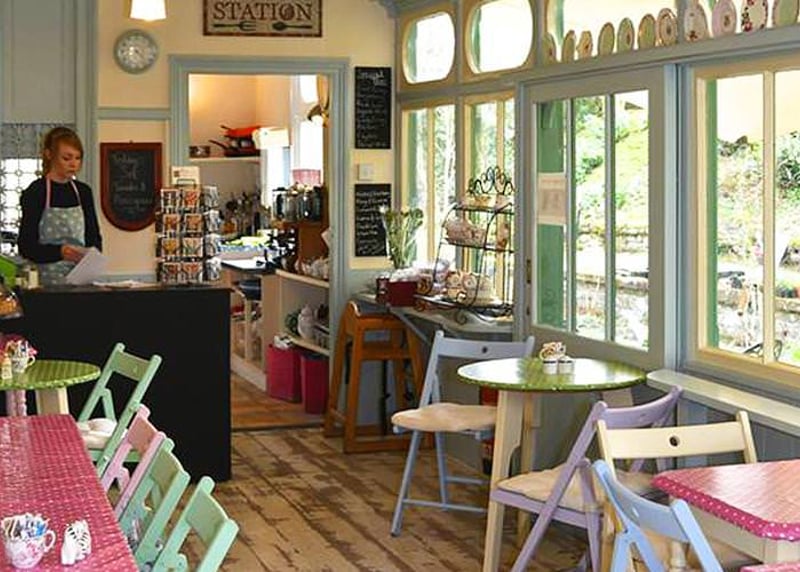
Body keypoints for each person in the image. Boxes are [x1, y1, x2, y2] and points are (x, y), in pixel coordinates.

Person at [18, 127, 103, 286]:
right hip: (45, 281)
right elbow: (26, 246)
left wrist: (90, 256)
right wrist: (60, 252)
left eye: (77, 158)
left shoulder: (83, 192)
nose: (73, 164)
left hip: (80, 279)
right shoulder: (37, 191)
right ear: (49, 155)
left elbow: (94, 238)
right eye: (66, 158)